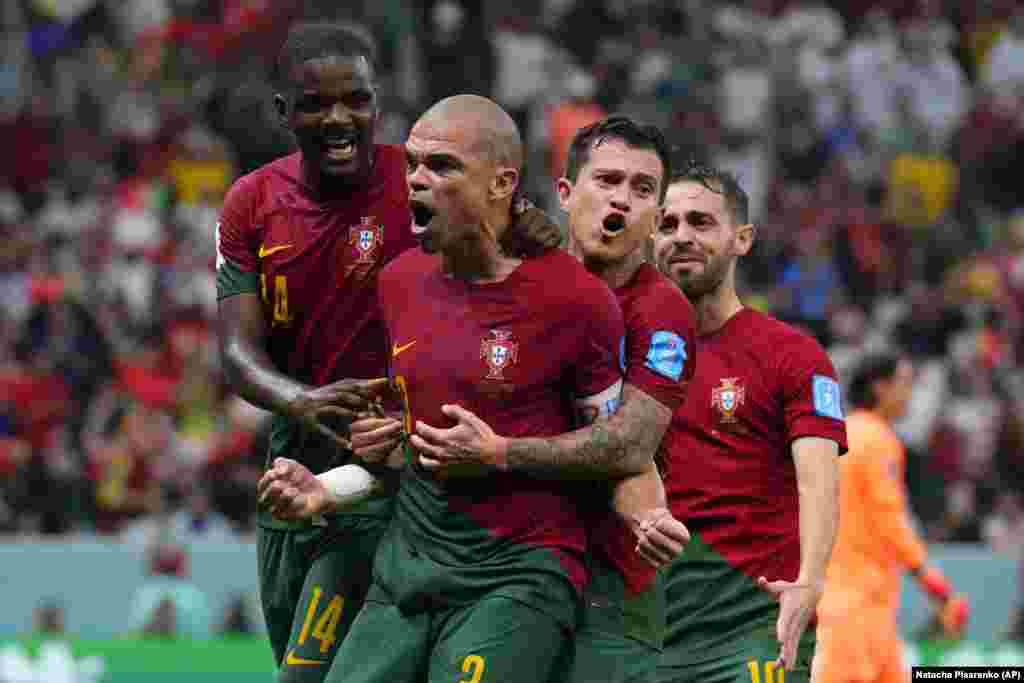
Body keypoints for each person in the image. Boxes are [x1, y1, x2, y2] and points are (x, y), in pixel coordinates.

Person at [407, 115, 697, 683]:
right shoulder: (517, 278)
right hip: (496, 564)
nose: (622, 201)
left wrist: (500, 452)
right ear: (565, 194)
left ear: (656, 219)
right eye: (608, 181)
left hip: (607, 582)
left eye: (642, 191)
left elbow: (629, 445)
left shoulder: (662, 313)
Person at [215, 22, 416, 681]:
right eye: (315, 104)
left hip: (387, 466)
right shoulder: (251, 202)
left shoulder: (419, 185)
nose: (339, 118)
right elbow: (235, 351)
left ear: (377, 102)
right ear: (283, 111)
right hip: (290, 463)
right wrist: (302, 401)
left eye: (356, 99)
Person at [650, 161, 847, 683]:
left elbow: (819, 482)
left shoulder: (793, 356)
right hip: (650, 632)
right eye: (667, 225)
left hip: (755, 626)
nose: (681, 236)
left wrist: (810, 582)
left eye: (700, 222)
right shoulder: (631, 355)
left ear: (742, 238)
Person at [816, 352, 969, 683]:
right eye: (905, 382)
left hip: (852, 603)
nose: (910, 392)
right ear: (881, 387)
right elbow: (891, 522)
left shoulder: (841, 435)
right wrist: (936, 586)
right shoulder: (876, 439)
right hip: (858, 609)